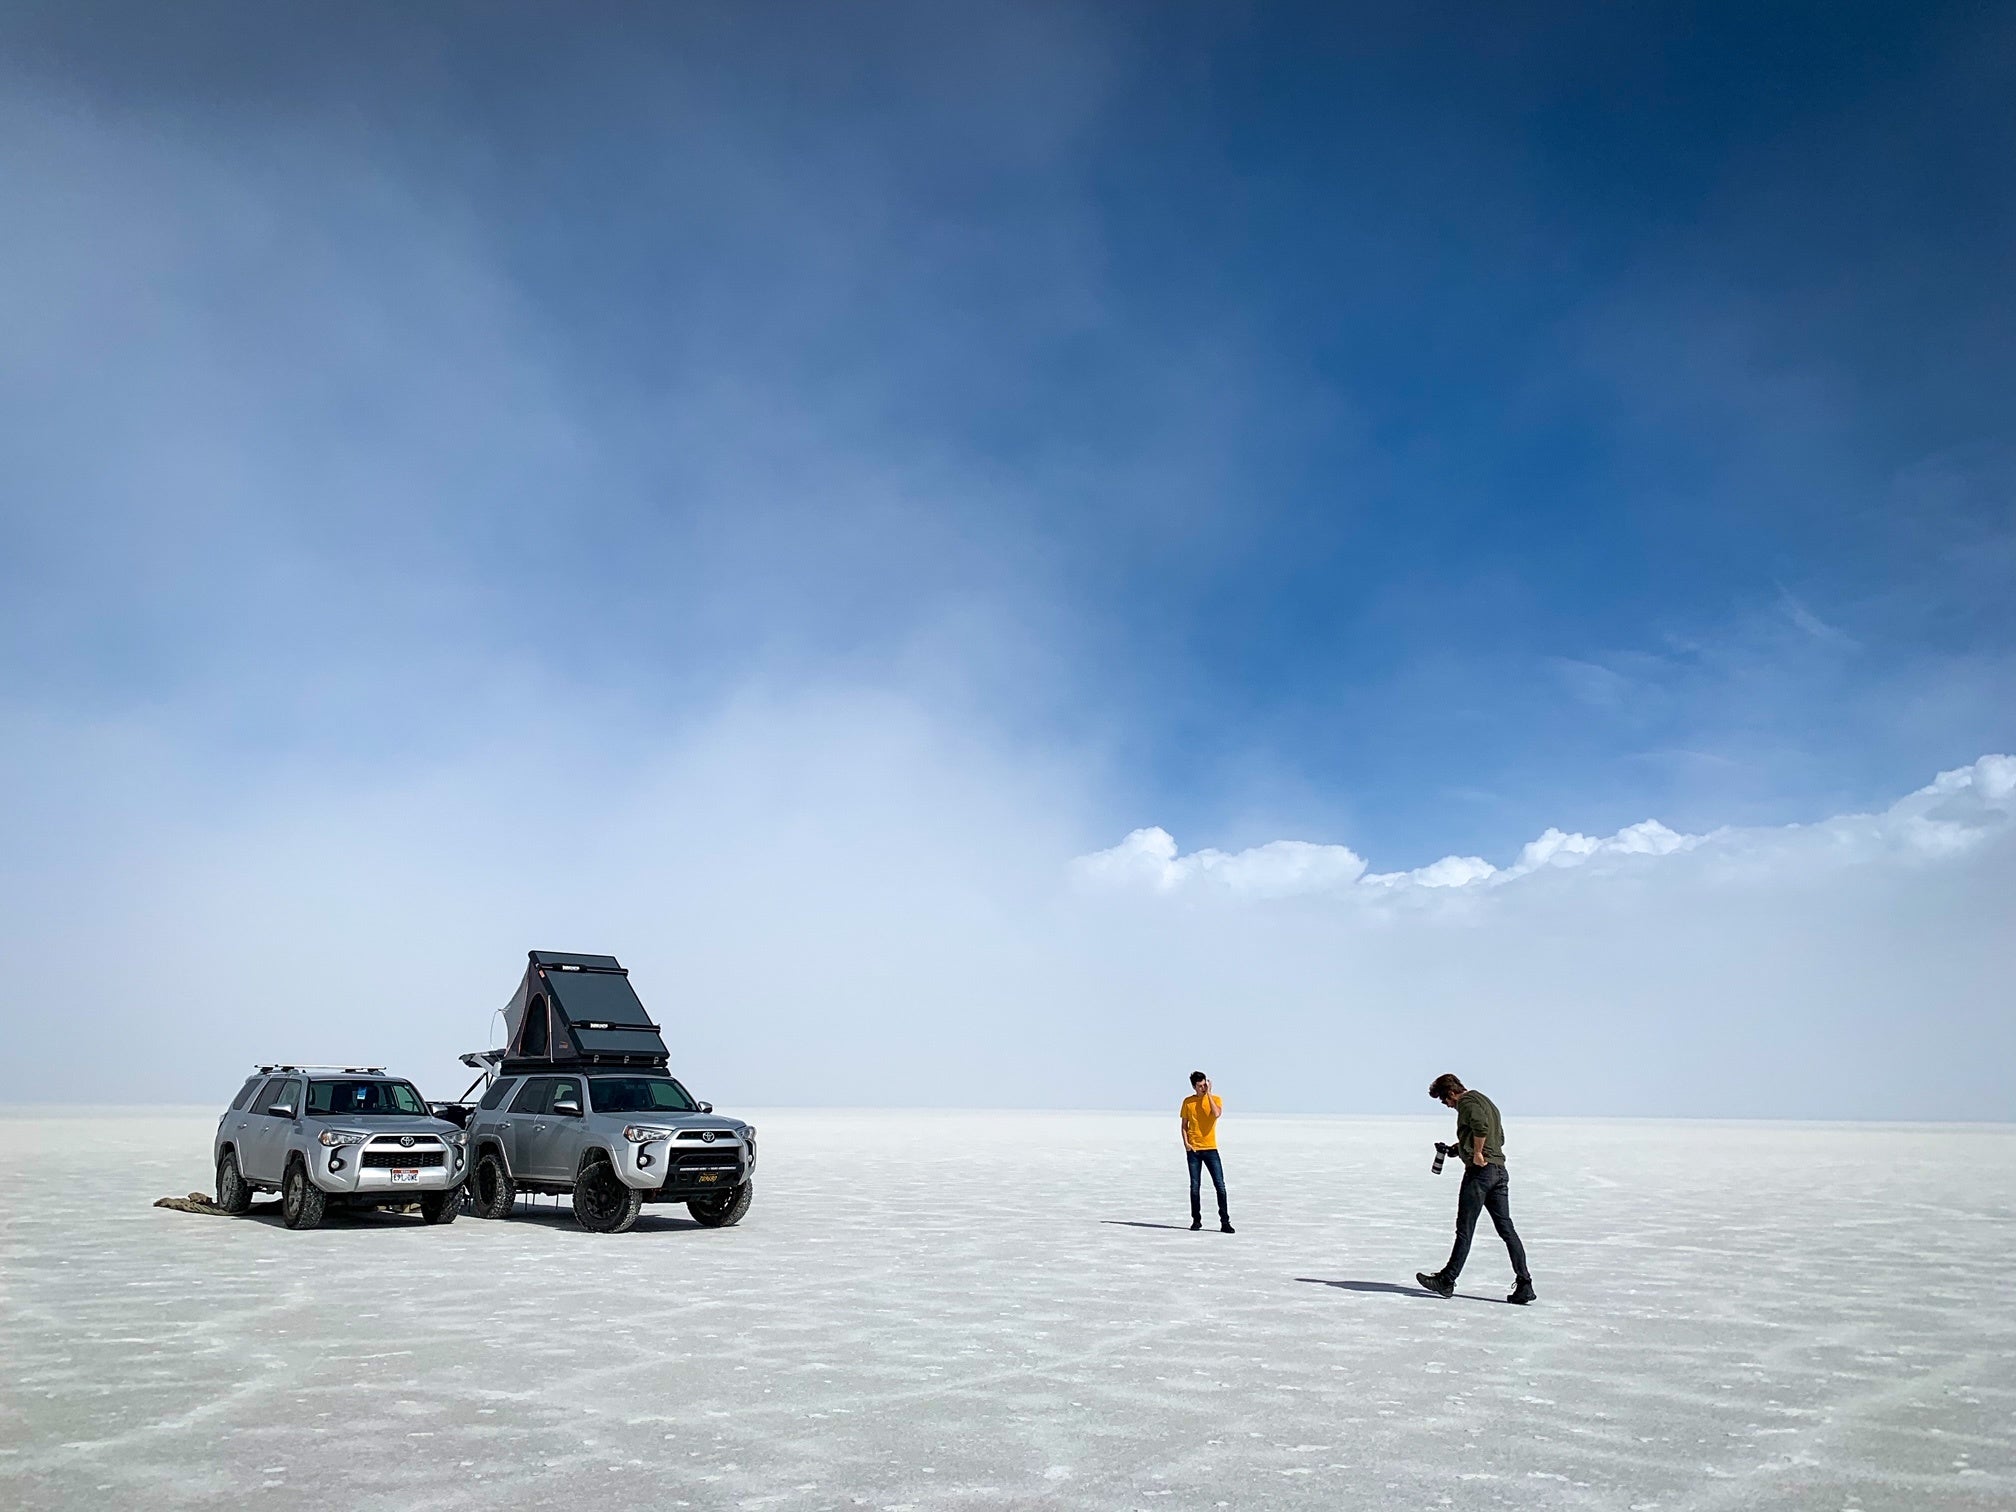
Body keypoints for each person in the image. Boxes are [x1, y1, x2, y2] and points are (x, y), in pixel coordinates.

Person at [1416, 1073, 1535, 1304]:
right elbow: (1495, 1136)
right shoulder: (1484, 1100)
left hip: (1480, 1174)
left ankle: (1447, 1280)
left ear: (1451, 1093)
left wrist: (1478, 1154)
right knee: (1506, 1230)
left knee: (1465, 1228)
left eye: (1444, 1100)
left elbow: (1480, 1126)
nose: (1447, 1105)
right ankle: (1525, 1284)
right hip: (1499, 1171)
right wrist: (1455, 1150)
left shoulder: (1467, 1104)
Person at [1180, 1071, 1234, 1233]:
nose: (1203, 1088)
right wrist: (1187, 1144)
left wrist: (1209, 1094)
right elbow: (1184, 1125)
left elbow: (1216, 1114)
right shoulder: (1188, 1102)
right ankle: (1196, 1220)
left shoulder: (1215, 1099)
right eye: (1200, 1086)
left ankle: (1225, 1222)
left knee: (1220, 1185)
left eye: (1205, 1084)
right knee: (1195, 1186)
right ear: (1194, 1086)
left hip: (1210, 1148)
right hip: (1194, 1150)